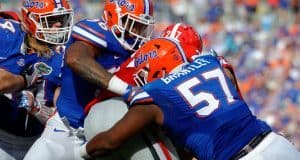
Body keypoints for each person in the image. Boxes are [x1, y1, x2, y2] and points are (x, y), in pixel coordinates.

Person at [79, 38, 300, 159]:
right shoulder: (211, 62)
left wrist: (78, 152)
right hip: (275, 143)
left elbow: (110, 141)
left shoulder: (155, 93)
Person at [24, 0, 166, 160]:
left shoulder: (141, 50)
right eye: (131, 24)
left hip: (107, 133)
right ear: (112, 17)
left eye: (141, 26)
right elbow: (76, 60)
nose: (136, 32)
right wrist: (128, 90)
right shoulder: (97, 32)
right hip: (67, 131)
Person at [0, 0, 73, 159]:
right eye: (51, 20)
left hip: (39, 141)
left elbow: (65, 118)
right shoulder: (6, 34)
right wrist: (24, 80)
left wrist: (37, 108)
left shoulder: (65, 55)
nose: (58, 26)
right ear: (29, 20)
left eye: (62, 20)